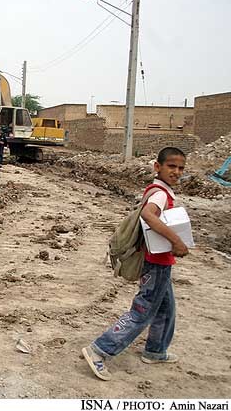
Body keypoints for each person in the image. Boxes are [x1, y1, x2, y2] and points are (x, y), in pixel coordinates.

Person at [82, 147, 189, 381]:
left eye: (181, 168)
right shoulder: (160, 194)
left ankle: (156, 350)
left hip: (160, 261)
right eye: (171, 166)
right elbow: (148, 216)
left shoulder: (161, 190)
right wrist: (177, 240)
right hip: (157, 263)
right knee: (142, 312)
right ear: (157, 167)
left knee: (165, 308)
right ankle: (100, 350)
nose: (177, 171)